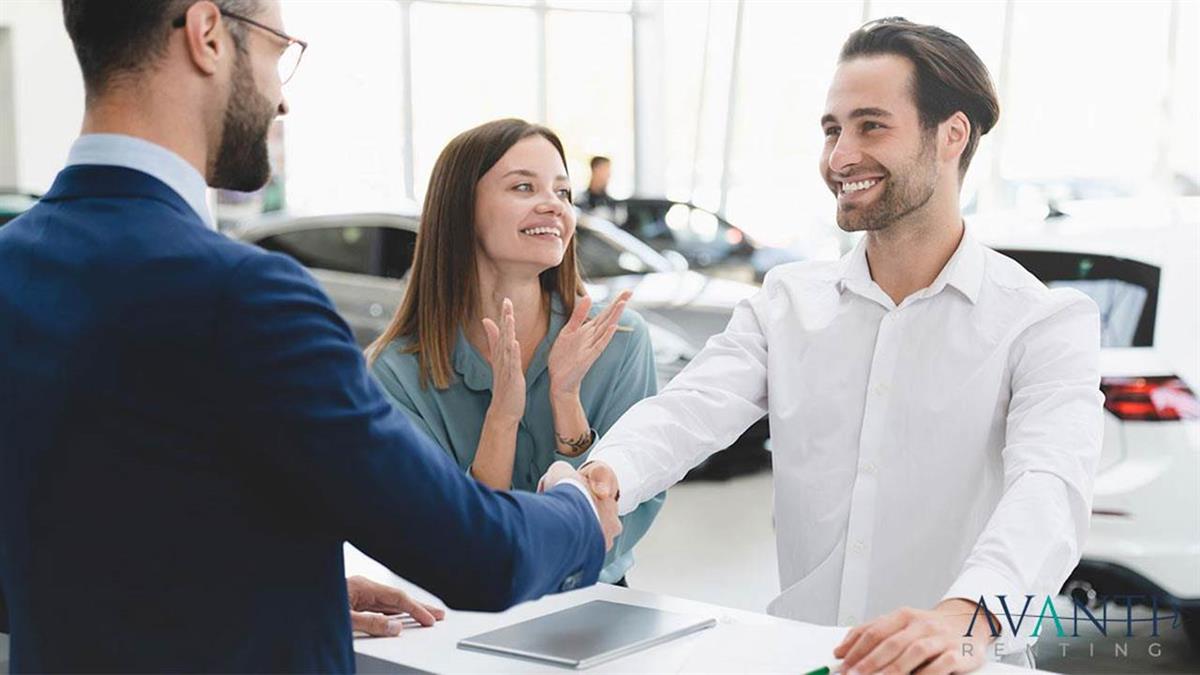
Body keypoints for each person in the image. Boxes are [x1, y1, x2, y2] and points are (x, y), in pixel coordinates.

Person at [0, 1, 619, 671]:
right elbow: (481, 554)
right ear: (208, 36)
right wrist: (580, 506)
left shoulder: (13, 265)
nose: (281, 101)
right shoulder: (246, 298)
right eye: (276, 51)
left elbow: (88, 529)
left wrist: (277, 589)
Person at [576, 17, 1103, 674]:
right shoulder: (787, 302)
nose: (840, 156)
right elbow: (689, 409)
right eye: (832, 129)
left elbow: (1049, 487)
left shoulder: (1044, 320)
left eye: (871, 125)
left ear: (952, 135)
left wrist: (968, 614)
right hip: (808, 658)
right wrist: (602, 477)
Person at [368, 119, 665, 586]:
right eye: (524, 187)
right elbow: (451, 539)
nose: (553, 205)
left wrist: (566, 402)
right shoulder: (398, 372)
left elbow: (629, 514)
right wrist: (501, 420)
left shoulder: (621, 338)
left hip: (595, 604)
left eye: (563, 193)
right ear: (461, 209)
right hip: (464, 616)